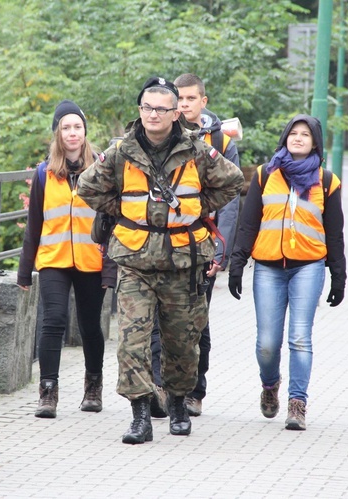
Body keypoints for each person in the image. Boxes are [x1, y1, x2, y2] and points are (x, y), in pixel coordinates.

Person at [78, 77, 244, 444]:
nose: (153, 114)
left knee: (183, 342)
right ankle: (140, 415)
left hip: (184, 261)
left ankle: (180, 403)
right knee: (132, 341)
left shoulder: (197, 150)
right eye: (147, 107)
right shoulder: (121, 151)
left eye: (161, 108)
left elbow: (232, 183)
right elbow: (87, 186)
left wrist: (197, 210)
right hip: (135, 259)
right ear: (140, 111)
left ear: (174, 113)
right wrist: (124, 211)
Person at [228, 114, 346, 431]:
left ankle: (298, 403)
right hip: (267, 267)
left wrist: (339, 275)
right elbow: (249, 222)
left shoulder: (326, 181)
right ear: (284, 138)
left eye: (305, 134)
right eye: (293, 133)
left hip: (308, 266)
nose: (297, 138)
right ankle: (270, 385)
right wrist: (236, 263)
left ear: (315, 142)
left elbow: (334, 233)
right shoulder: (266, 175)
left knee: (300, 338)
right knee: (267, 344)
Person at [148, 73, 241, 419]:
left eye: (190, 99)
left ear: (203, 101)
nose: (184, 105)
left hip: (202, 244)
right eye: (179, 99)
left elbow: (231, 200)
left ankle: (194, 391)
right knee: (160, 319)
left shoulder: (220, 139)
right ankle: (160, 387)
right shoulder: (160, 136)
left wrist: (222, 250)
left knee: (196, 322)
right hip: (162, 246)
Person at [17, 99, 116, 419]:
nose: (72, 133)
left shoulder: (102, 168)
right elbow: (34, 224)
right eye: (66, 128)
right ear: (57, 134)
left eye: (78, 127)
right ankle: (48, 392)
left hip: (91, 259)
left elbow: (114, 221)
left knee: (90, 325)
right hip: (53, 259)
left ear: (85, 132)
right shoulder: (45, 173)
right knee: (53, 321)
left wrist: (110, 268)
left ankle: (93, 386)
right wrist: (23, 272)